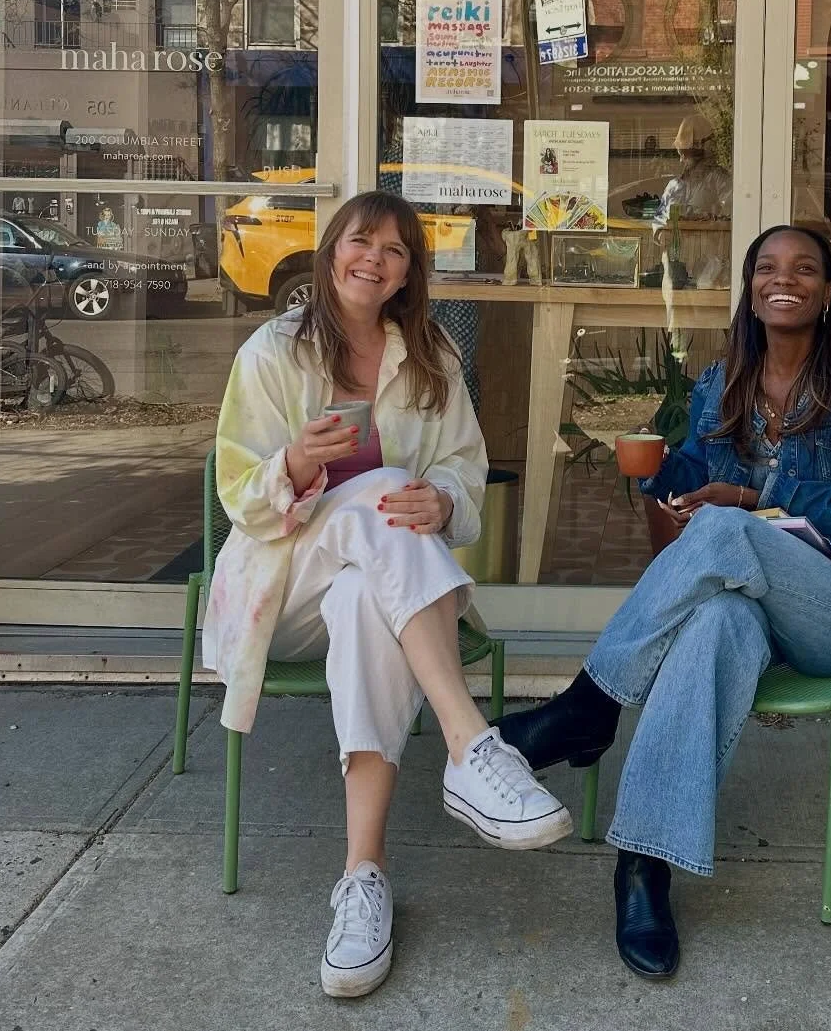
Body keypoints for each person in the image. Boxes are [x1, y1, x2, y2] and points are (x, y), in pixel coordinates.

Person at [497, 224, 831, 980]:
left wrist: (749, 494)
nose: (785, 279)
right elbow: (694, 474)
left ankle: (589, 705)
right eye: (767, 267)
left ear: (829, 290)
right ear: (750, 286)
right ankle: (643, 865)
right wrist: (661, 475)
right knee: (714, 617)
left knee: (729, 526)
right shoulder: (721, 382)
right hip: (760, 608)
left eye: (805, 269)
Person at [203, 190, 571, 1000]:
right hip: (281, 591)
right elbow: (239, 494)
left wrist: (442, 502)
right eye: (362, 240)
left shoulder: (431, 353)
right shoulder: (273, 351)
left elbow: (464, 471)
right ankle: (472, 745)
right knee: (382, 492)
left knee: (367, 595)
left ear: (410, 271)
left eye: (396, 249)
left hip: (384, 597)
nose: (375, 258)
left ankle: (362, 881)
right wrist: (297, 465)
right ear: (333, 249)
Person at [657, 114, 731, 224]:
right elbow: (660, 219)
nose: (681, 160)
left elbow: (731, 214)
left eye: (685, 154)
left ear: (699, 151)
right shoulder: (675, 184)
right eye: (680, 154)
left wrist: (709, 217)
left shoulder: (718, 179)